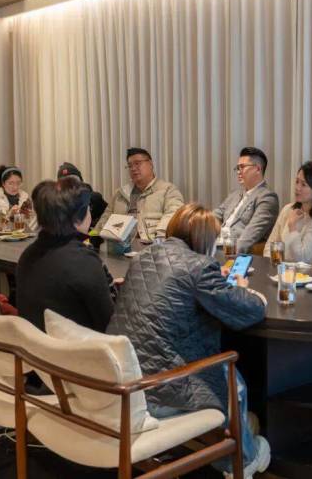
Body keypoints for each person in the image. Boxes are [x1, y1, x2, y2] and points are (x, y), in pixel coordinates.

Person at [107, 203, 270, 479]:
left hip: (126, 377)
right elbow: (249, 310)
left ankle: (237, 439)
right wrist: (242, 289)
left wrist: (212, 282)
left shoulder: (144, 256)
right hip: (159, 389)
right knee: (235, 380)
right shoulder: (199, 267)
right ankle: (243, 461)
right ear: (205, 240)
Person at [17, 176, 116, 332]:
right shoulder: (84, 262)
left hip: (35, 344)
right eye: (88, 208)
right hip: (77, 346)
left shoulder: (27, 255)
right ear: (78, 217)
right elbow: (109, 324)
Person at [94, 148, 184, 241]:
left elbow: (174, 215)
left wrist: (160, 237)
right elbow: (105, 218)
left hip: (151, 243)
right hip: (119, 245)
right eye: (130, 166)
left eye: (137, 163)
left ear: (150, 164)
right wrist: (93, 237)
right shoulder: (120, 194)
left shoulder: (167, 190)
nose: (133, 168)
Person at [263, 161, 312, 263]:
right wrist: (272, 266)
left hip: (309, 272)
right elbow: (270, 245)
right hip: (280, 269)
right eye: (297, 182)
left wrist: (292, 227)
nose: (297, 188)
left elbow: (304, 258)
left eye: (303, 184)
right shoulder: (288, 209)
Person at [214, 147, 279, 253]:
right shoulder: (234, 194)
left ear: (258, 169)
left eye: (242, 167)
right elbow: (214, 216)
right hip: (213, 244)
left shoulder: (267, 198)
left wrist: (228, 255)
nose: (238, 172)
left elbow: (248, 238)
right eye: (237, 168)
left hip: (229, 251)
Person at [0, 165, 37, 231]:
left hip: (22, 235)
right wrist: (9, 215)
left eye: (18, 183)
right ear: (3, 183)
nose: (15, 187)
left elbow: (31, 226)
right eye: (11, 183)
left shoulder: (25, 198)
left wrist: (28, 217)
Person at [56, 162, 107, 228]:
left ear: (81, 182)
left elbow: (108, 218)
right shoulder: (56, 205)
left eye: (74, 180)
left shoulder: (94, 199)